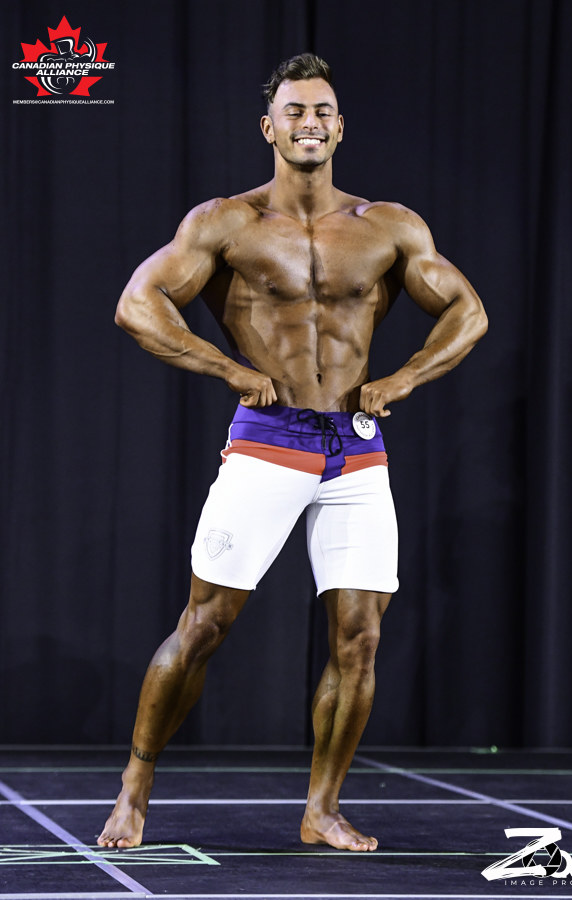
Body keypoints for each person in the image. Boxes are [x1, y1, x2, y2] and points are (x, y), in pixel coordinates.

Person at [98, 53, 487, 853]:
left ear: (340, 128)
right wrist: (228, 368)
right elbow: (138, 304)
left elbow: (468, 312)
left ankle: (322, 809)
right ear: (268, 128)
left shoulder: (389, 226)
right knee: (205, 624)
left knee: (361, 637)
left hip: (357, 449)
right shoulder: (227, 223)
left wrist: (406, 377)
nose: (310, 123)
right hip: (269, 442)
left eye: (323, 112)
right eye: (295, 111)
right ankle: (135, 787)